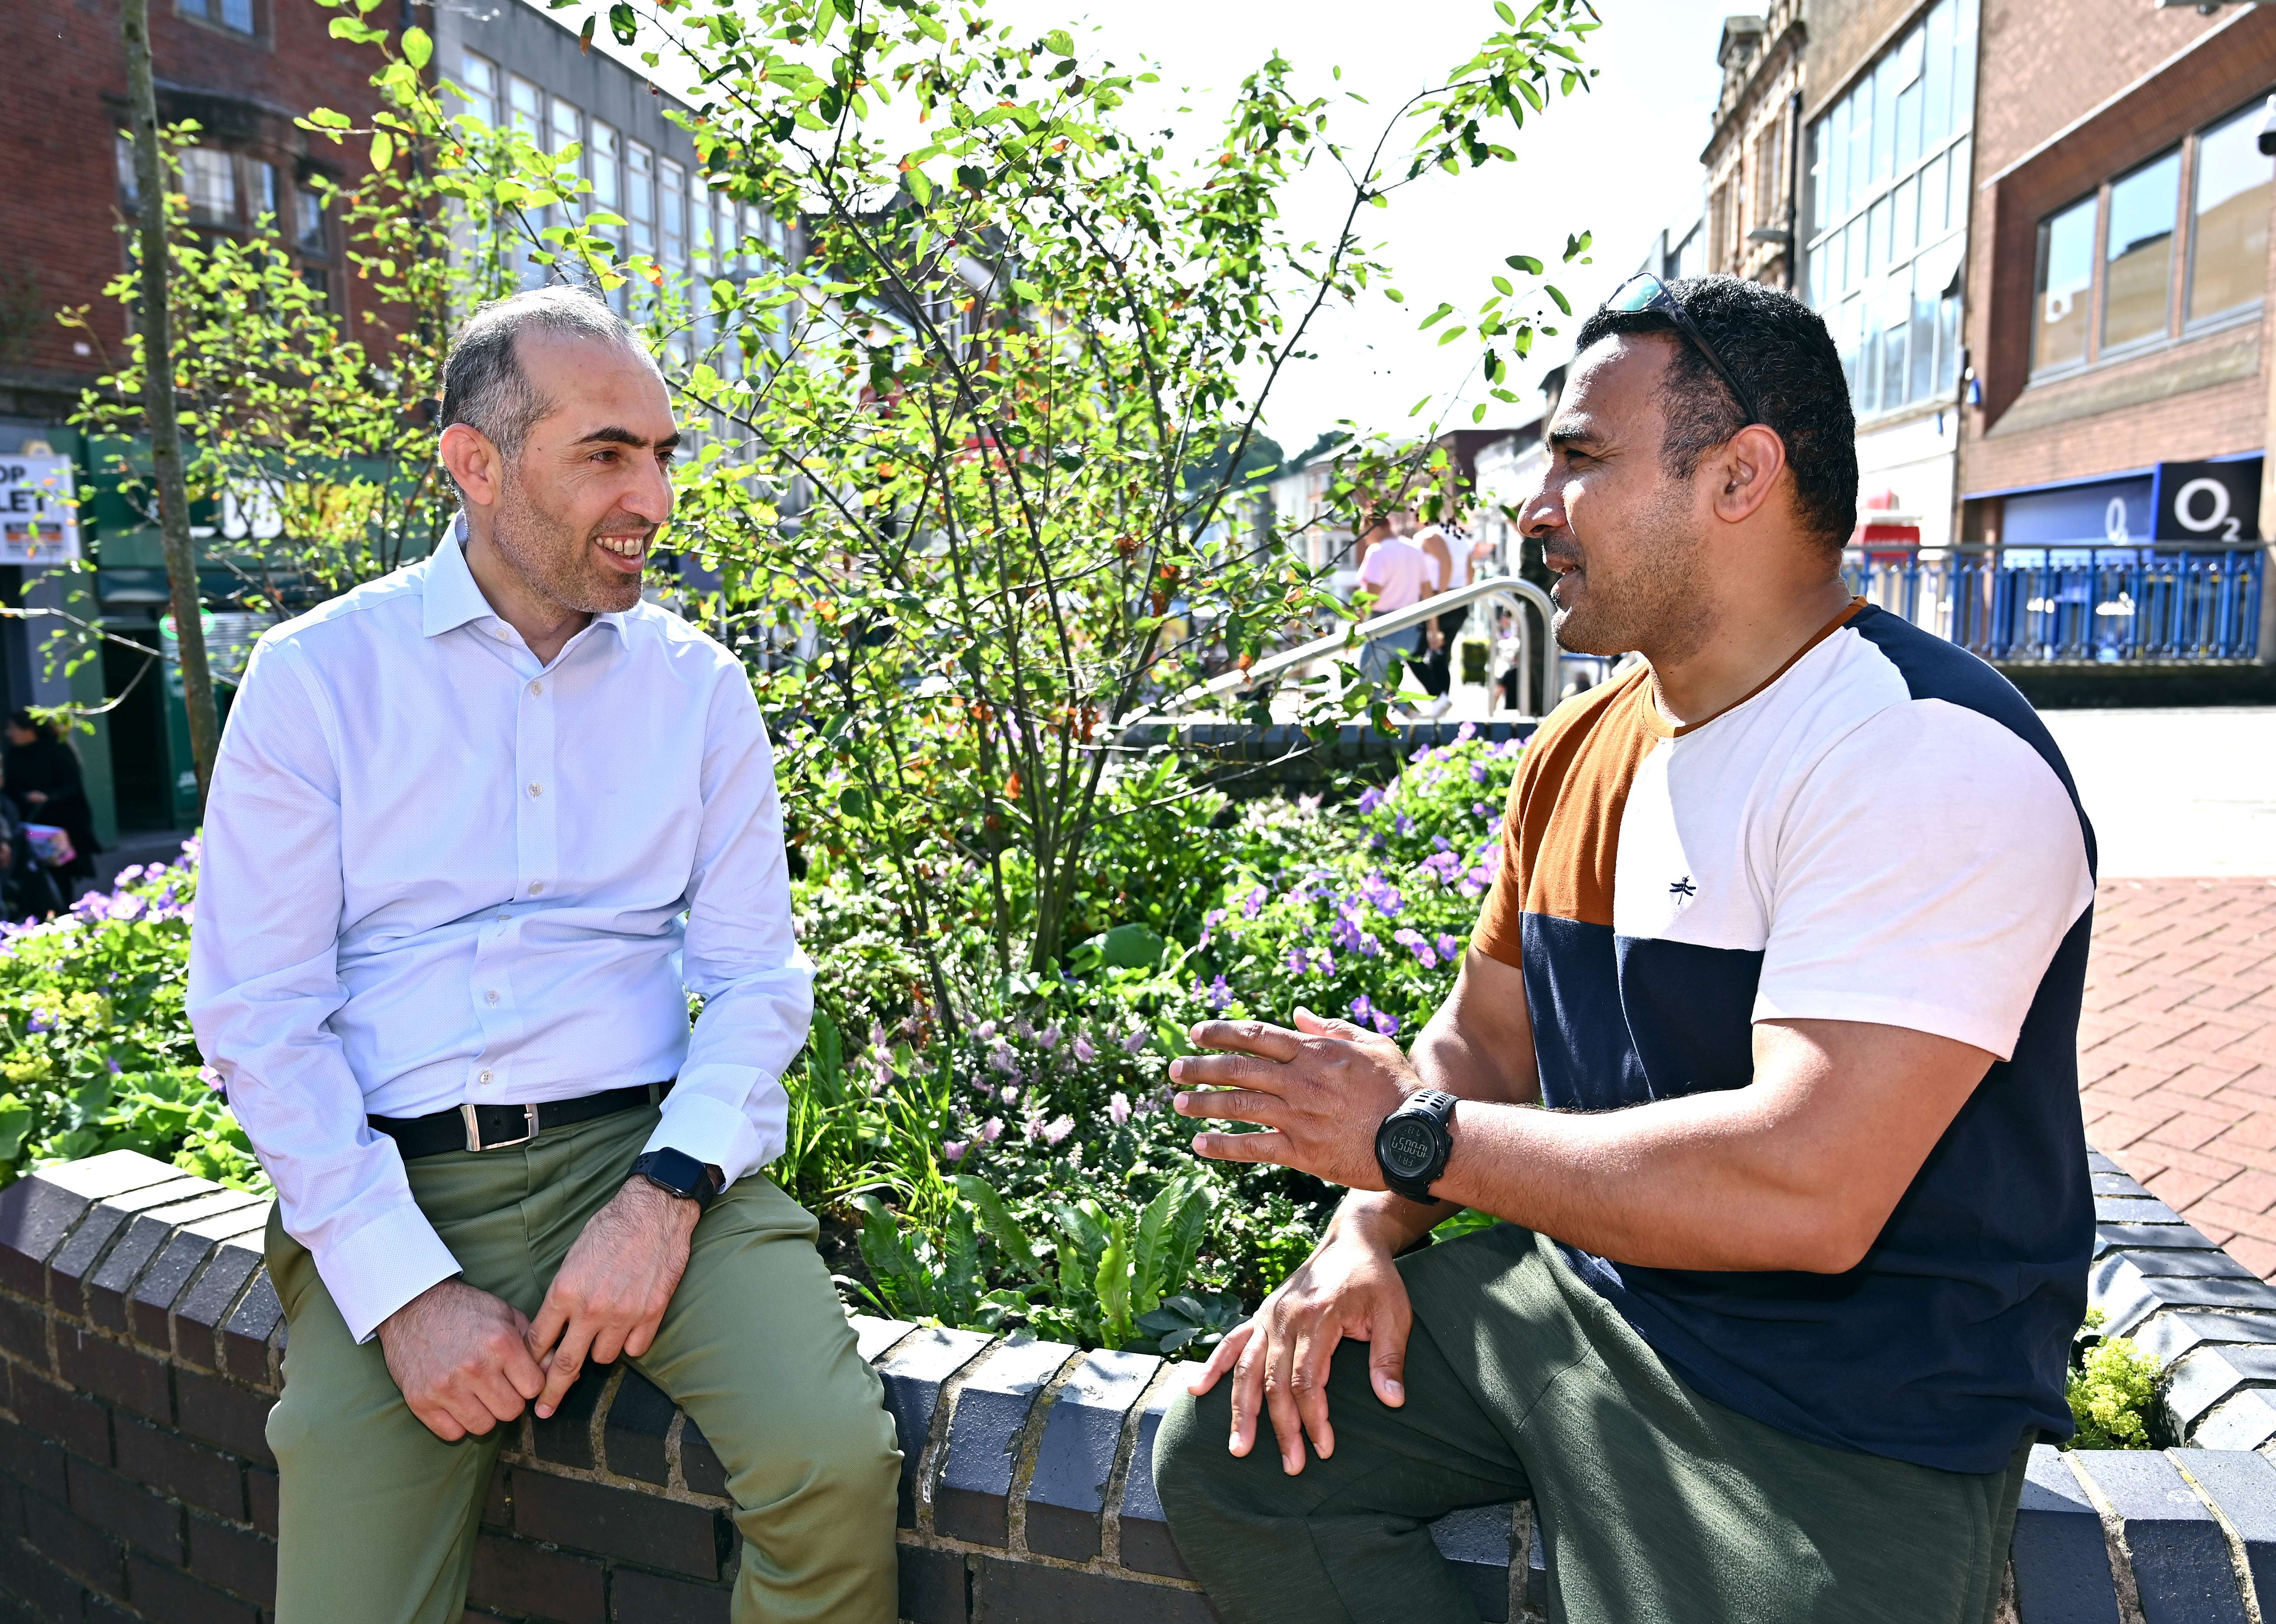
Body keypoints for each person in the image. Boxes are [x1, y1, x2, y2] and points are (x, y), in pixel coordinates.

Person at [1151, 274, 2095, 1624]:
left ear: (1739, 477)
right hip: (1586, 1297)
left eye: (1582, 459)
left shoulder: (1929, 753)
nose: (1536, 508)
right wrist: (1362, 1231)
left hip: (1844, 1402)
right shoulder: (1580, 746)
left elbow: (1804, 1191)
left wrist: (1408, 1142)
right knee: (1241, 1456)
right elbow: (1486, 1043)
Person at [186, 286, 901, 1624]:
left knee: (832, 1462)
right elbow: (259, 1015)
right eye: (606, 453)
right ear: (476, 462)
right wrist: (404, 1295)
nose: (654, 495)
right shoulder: (316, 678)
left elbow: (756, 978)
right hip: (395, 1173)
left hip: (642, 1157)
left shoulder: (699, 689)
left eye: (662, 452)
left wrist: (668, 1191)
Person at [3, 709, 99, 887]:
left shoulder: (57, 750)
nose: (8, 733)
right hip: (28, 826)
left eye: (12, 728)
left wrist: (48, 797)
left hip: (58, 826)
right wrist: (25, 796)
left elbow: (72, 786)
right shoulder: (14, 755)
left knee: (60, 873)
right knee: (29, 871)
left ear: (28, 730)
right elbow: (10, 788)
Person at [1352, 517, 1434, 688]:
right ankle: (1409, 712)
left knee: (1369, 685)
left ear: (1378, 527)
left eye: (1366, 532)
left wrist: (1355, 626)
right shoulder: (1414, 550)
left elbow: (1371, 597)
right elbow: (1428, 593)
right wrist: (1433, 629)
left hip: (1384, 626)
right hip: (1411, 627)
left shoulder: (1378, 552)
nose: (1365, 538)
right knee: (1387, 685)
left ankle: (1406, 711)